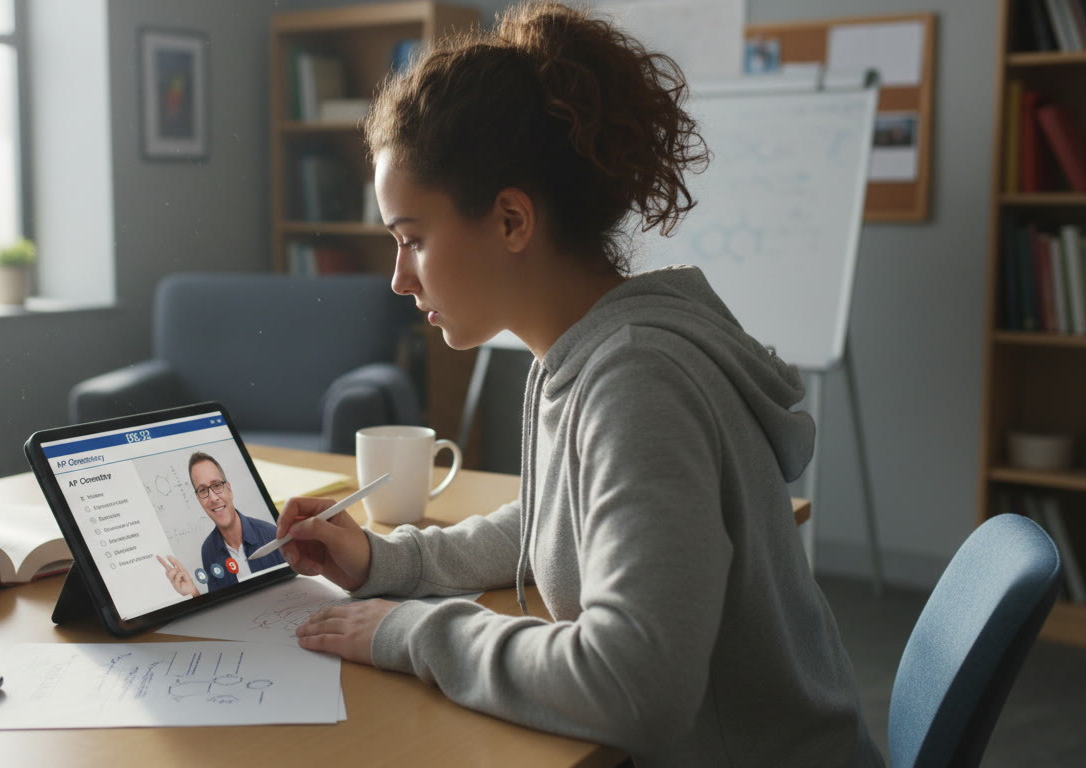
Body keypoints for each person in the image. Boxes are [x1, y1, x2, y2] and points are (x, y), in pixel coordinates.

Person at [273, 3, 884, 765]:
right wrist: (390, 564)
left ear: (511, 221)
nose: (399, 278)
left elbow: (636, 688)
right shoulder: (590, 351)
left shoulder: (637, 381)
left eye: (413, 240)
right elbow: (552, 519)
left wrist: (408, 631)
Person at [160, 451, 286, 595]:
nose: (213, 497)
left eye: (217, 485)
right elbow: (220, 607)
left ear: (229, 489)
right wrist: (194, 593)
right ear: (198, 499)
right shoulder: (208, 550)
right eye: (203, 490)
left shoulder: (271, 535)